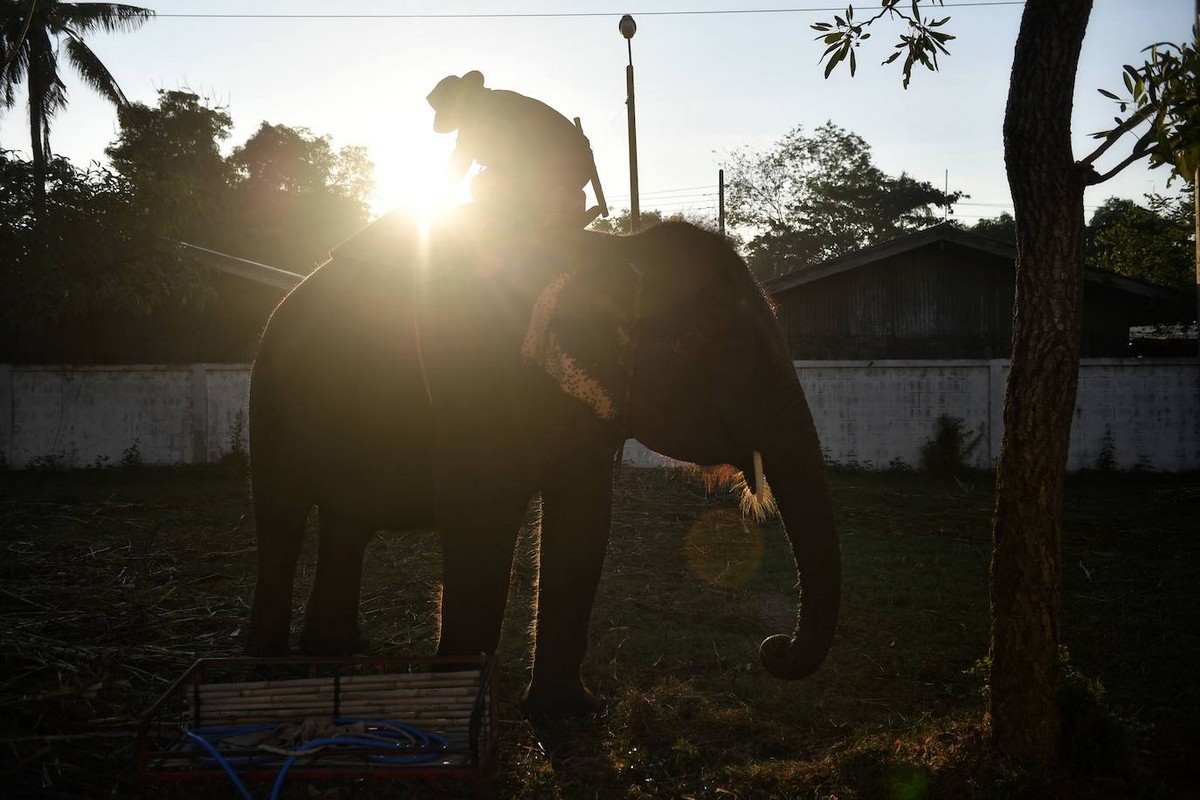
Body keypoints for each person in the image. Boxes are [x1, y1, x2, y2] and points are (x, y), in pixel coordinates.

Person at [427, 71, 598, 227]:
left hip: (550, 167)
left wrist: (443, 200)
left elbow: (460, 162)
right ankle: (562, 198)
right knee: (493, 182)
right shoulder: (501, 99)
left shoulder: (478, 115)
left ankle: (555, 201)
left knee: (483, 185)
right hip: (580, 166)